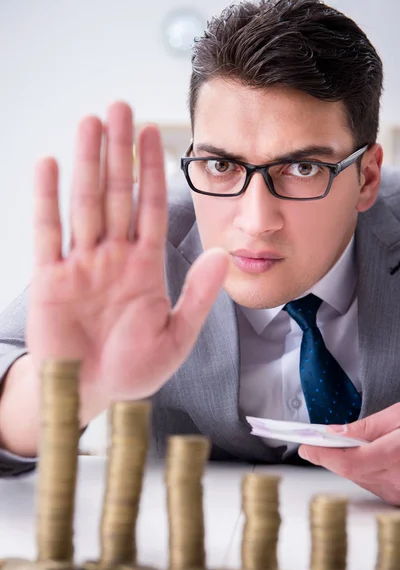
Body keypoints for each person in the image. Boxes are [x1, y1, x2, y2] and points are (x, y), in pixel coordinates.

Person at [1, 0, 400, 504]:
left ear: (365, 177)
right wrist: (62, 389)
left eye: (302, 170)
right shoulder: (138, 245)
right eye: (221, 166)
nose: (255, 221)